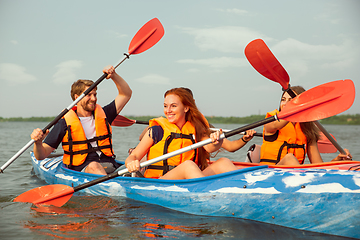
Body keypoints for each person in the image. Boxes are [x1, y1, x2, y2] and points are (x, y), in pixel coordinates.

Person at [30, 65, 132, 175]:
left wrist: (114, 76)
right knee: (94, 166)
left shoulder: (105, 114)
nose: (93, 99)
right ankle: (112, 190)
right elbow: (41, 155)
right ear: (76, 97)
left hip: (110, 166)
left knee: (139, 162)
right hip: (83, 171)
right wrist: (38, 143)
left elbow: (125, 94)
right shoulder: (64, 122)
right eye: (89, 95)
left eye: (95, 94)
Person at [125, 87, 242, 179]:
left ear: (186, 108)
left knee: (224, 162)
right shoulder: (156, 131)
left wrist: (218, 140)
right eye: (165, 106)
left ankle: (247, 189)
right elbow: (133, 156)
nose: (168, 110)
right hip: (162, 180)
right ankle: (207, 197)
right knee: (188, 165)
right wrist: (131, 163)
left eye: (173, 106)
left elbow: (211, 148)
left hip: (188, 180)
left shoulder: (195, 129)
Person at [260, 86, 352, 165]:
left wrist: (337, 160)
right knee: (289, 158)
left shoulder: (307, 129)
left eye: (291, 100)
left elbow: (318, 166)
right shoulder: (271, 121)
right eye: (283, 100)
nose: (285, 104)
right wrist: (294, 110)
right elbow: (276, 126)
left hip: (292, 175)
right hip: (269, 173)